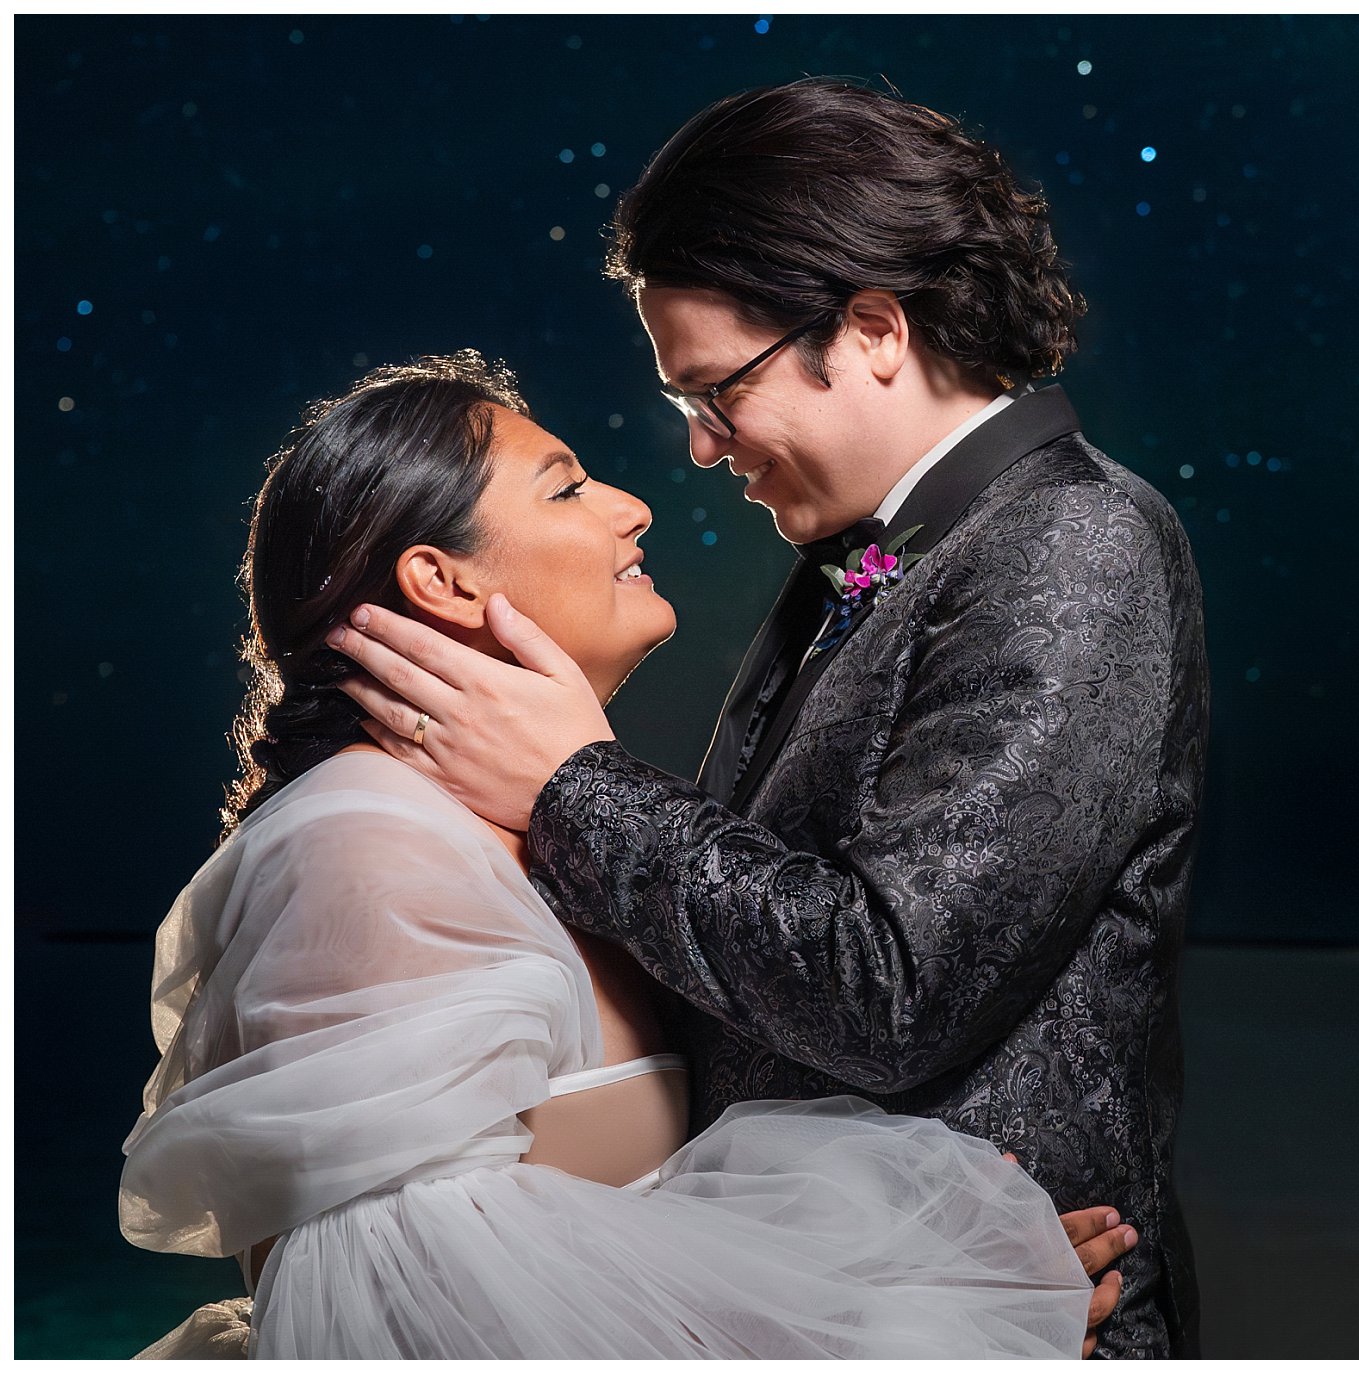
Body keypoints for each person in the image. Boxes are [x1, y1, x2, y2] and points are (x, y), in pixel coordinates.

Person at [326, 79, 1209, 1357]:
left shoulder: (1074, 540)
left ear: (869, 330)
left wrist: (572, 781)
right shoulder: (863, 551)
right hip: (871, 1309)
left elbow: (886, 992)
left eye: (712, 393)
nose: (693, 450)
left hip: (1021, 1325)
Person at [120, 354, 1135, 1358]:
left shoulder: (519, 827)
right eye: (564, 486)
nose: (633, 506)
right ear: (441, 578)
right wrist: (912, 1319)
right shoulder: (364, 843)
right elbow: (393, 1299)